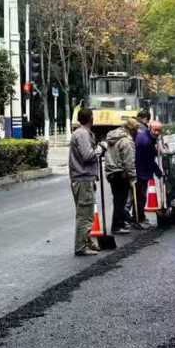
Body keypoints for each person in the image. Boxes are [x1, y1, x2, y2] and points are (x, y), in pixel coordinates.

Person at [69, 108, 102, 256]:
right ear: (91, 118)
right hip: (83, 179)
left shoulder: (81, 133)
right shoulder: (82, 134)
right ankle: (81, 247)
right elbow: (87, 156)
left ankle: (86, 241)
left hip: (83, 178)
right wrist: (100, 148)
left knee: (86, 213)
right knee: (85, 215)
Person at [102, 117, 138, 234]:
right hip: (121, 174)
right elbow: (129, 161)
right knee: (120, 201)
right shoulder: (126, 141)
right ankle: (117, 226)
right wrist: (132, 177)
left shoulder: (112, 136)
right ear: (132, 129)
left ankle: (120, 223)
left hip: (111, 172)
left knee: (117, 199)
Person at [133, 118, 162, 228]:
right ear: (150, 128)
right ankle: (138, 219)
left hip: (140, 170)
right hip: (140, 172)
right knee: (140, 197)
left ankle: (137, 218)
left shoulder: (147, 137)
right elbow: (149, 160)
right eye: (155, 130)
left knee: (139, 197)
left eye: (159, 130)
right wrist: (159, 173)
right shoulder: (146, 141)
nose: (157, 133)